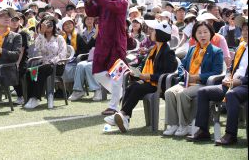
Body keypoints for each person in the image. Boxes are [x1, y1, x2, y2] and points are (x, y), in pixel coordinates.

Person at [104, 20, 178, 132]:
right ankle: (124, 117)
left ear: (160, 34)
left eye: (153, 31)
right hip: (149, 82)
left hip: (158, 84)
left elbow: (166, 74)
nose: (150, 33)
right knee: (130, 88)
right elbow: (143, 64)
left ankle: (123, 115)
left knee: (137, 87)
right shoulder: (153, 49)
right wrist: (136, 71)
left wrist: (148, 76)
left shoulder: (168, 52)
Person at [188, 16, 248, 145]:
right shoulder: (242, 46)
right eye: (243, 30)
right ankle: (203, 130)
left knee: (232, 94)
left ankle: (230, 135)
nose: (245, 33)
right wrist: (227, 76)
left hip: (244, 85)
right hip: (231, 82)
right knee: (203, 92)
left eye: (248, 30)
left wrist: (238, 82)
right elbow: (231, 67)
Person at [163, 21, 223, 137]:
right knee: (169, 92)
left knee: (182, 94)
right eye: (199, 32)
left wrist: (197, 77)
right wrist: (184, 75)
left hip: (203, 83)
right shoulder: (191, 49)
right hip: (187, 81)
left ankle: (184, 125)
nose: (202, 35)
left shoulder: (216, 51)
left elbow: (217, 72)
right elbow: (181, 65)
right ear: (195, 35)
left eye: (205, 32)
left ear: (211, 33)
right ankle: (173, 124)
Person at [85, 0, 128, 116]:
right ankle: (120, 94)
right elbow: (91, 12)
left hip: (117, 45)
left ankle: (114, 106)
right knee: (97, 73)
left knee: (116, 77)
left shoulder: (123, 3)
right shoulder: (104, 1)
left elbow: (110, 6)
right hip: (102, 44)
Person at [24, 16, 67, 109]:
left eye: (51, 22)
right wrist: (41, 33)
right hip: (43, 65)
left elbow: (62, 54)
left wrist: (51, 62)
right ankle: (31, 97)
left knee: (43, 68)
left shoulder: (59, 38)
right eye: (46, 23)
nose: (49, 24)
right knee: (30, 71)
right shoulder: (40, 37)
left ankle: (35, 98)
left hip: (57, 65)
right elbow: (37, 49)